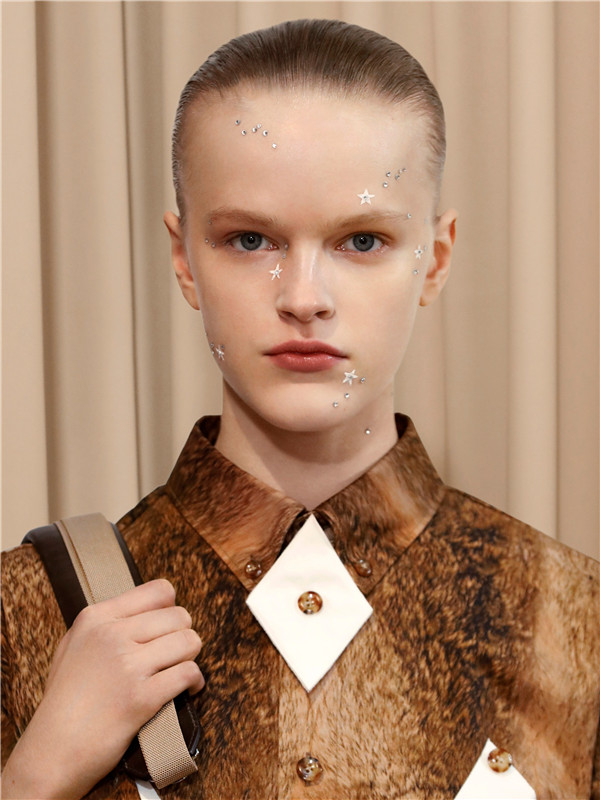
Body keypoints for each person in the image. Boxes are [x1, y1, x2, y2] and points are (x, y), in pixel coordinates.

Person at [1, 18, 598, 800]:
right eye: (251, 240)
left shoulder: (578, 622)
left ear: (436, 259)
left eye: (362, 241)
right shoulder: (24, 613)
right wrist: (34, 777)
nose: (305, 298)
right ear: (184, 260)